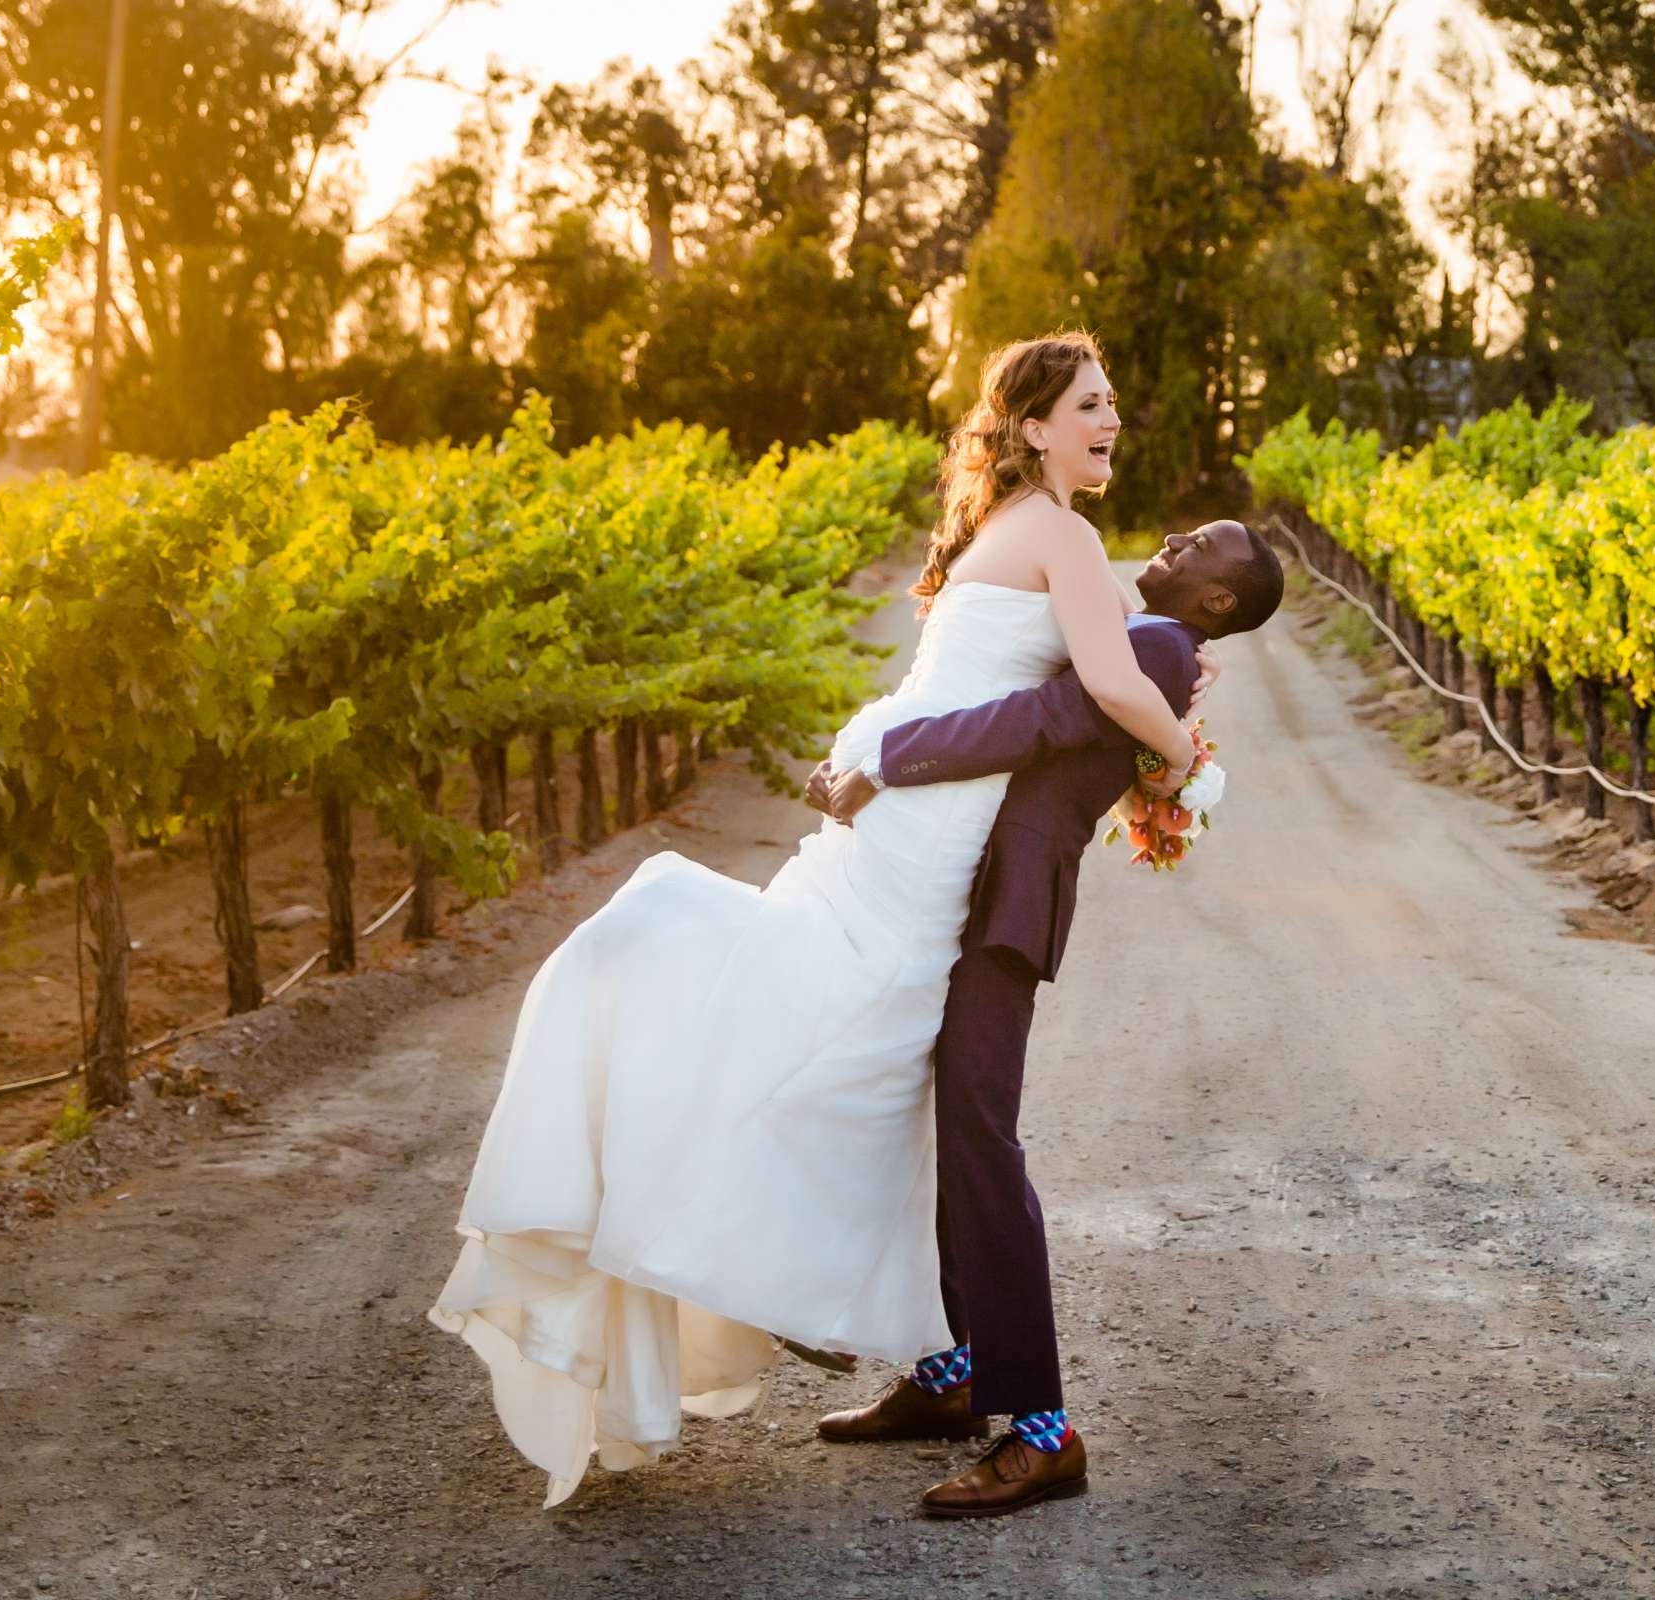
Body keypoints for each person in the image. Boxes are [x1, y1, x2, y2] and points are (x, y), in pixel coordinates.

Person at [426, 332, 1213, 1507]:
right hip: (926, 839)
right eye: (1092, 404)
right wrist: (1187, 756)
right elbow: (1098, 691)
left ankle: (936, 1358)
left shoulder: (1012, 528)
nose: (1112, 422)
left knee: (867, 1067)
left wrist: (868, 761)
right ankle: (951, 1370)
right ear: (1036, 424)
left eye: (1113, 404)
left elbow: (983, 698)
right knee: (855, 1064)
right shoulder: (1059, 532)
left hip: (921, 833)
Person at [804, 519, 1284, 1517]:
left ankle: (1041, 1430)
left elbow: (1027, 719)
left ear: (1217, 602)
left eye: (1204, 544)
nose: (1179, 538)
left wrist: (887, 755)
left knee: (983, 1140)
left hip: (1008, 898)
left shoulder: (1152, 648)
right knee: (957, 1128)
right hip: (986, 884)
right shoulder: (1156, 644)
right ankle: (955, 1375)